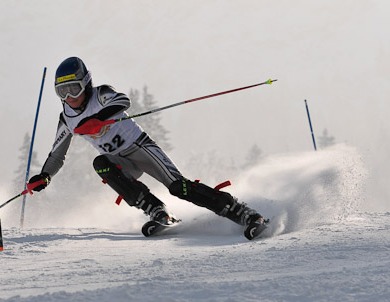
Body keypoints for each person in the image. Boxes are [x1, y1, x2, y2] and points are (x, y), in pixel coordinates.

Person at [28, 56, 267, 239]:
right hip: (121, 161)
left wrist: (100, 118)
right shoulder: (66, 119)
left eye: (74, 89)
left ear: (86, 85)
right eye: (63, 92)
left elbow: (123, 101)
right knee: (101, 164)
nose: (69, 97)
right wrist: (45, 176)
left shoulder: (99, 95)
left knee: (178, 187)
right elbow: (56, 154)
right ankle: (156, 210)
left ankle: (243, 213)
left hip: (141, 148)